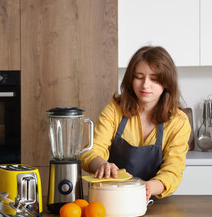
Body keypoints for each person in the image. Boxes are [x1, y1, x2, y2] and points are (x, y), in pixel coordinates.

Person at [80, 46, 191, 201]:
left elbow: (173, 170)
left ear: (166, 82)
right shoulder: (114, 110)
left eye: (154, 79)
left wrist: (150, 187)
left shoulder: (178, 121)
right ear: (130, 79)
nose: (145, 85)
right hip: (111, 199)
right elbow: (92, 150)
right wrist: (101, 165)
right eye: (139, 77)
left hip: (155, 202)